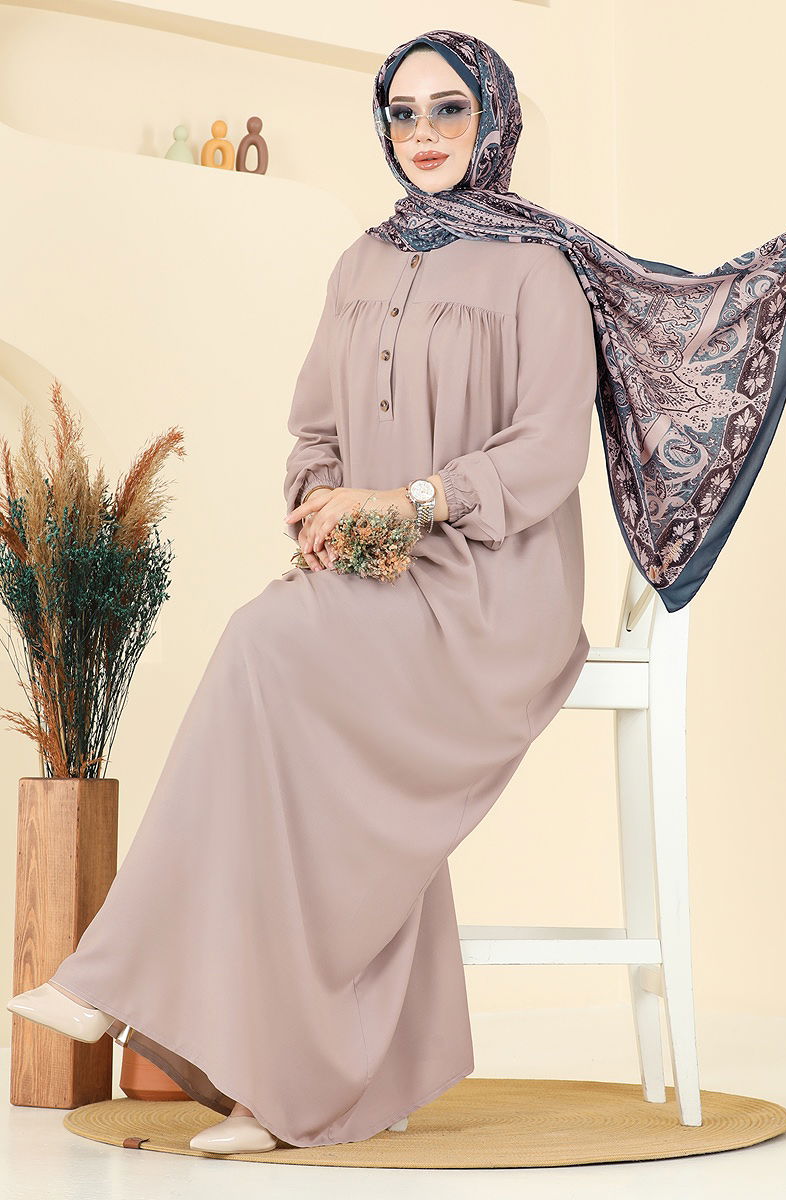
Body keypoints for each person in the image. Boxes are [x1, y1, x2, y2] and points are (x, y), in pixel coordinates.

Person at [7, 35, 597, 1152]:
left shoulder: (538, 269)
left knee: (263, 642)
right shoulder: (360, 262)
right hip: (376, 574)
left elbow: (548, 452)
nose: (423, 134)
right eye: (402, 113)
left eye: (449, 110)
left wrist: (409, 500)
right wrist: (322, 500)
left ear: (493, 119)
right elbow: (314, 429)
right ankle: (296, 1083)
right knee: (291, 742)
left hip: (490, 589)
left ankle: (109, 979)